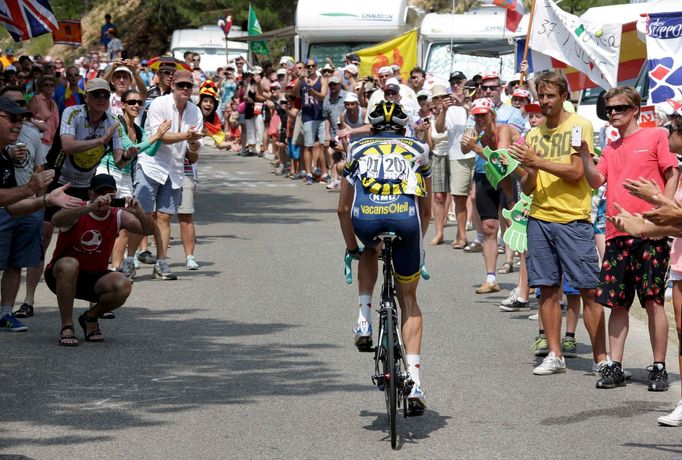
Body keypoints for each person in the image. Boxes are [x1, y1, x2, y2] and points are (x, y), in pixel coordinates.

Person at [576, 86, 678, 390]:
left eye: (620, 108)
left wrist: (665, 211)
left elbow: (672, 173)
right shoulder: (610, 148)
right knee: (617, 303)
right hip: (617, 233)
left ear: (635, 109)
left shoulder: (656, 136)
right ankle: (615, 366)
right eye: (610, 109)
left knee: (653, 301)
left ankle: (659, 366)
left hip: (650, 233)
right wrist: (583, 155)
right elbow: (596, 180)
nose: (614, 114)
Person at [508, 71, 607, 376]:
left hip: (572, 220)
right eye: (542, 96)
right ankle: (555, 354)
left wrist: (536, 162)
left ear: (564, 96)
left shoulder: (579, 125)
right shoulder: (534, 136)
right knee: (547, 290)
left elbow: (577, 172)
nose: (545, 102)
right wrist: (519, 169)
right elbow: (529, 187)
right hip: (540, 218)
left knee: (588, 290)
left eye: (551, 96)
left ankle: (602, 359)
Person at [337, 100, 431, 413]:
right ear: (403, 128)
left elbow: (341, 209)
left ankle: (364, 318)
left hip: (367, 220)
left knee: (367, 249)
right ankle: (415, 382)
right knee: (409, 301)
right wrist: (419, 240)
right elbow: (426, 208)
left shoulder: (356, 147)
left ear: (372, 128)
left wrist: (352, 248)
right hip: (406, 222)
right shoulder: (418, 147)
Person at [607, 112, 682, 425]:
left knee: (652, 303)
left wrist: (656, 200)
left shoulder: (668, 166)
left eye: (671, 130)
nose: (666, 134)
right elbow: (675, 225)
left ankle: (660, 366)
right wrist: (638, 226)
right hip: (680, 267)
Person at [0, 96, 80, 332]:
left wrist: (46, 199)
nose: (18, 124)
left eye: (22, 119)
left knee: (15, 262)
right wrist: (30, 189)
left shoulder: (4, 157)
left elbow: (12, 207)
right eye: (12, 118)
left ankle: (5, 313)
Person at [47, 174, 155, 346]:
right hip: (61, 275)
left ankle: (90, 317)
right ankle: (67, 326)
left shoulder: (117, 215)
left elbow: (148, 230)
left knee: (123, 284)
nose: (105, 197)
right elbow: (56, 220)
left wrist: (140, 212)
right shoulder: (80, 208)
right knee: (70, 264)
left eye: (110, 193)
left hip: (94, 277)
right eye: (100, 193)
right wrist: (90, 208)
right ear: (90, 194)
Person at [126, 70, 202, 281]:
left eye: (189, 85)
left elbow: (194, 150)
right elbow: (160, 137)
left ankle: (162, 262)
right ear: (172, 87)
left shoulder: (195, 112)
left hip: (175, 169)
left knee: (165, 217)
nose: (185, 89)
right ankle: (129, 260)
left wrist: (194, 142)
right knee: (142, 216)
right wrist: (187, 136)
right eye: (181, 85)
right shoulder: (159, 104)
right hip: (152, 165)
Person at [99, 89, 170, 277]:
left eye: (140, 102)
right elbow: (128, 149)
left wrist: (159, 134)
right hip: (109, 173)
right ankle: (99, 264)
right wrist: (156, 136)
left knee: (123, 225)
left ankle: (115, 268)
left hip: (126, 178)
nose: (136, 105)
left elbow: (151, 151)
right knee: (104, 222)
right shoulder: (117, 124)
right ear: (122, 104)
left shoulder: (138, 129)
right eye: (131, 102)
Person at [461, 97, 520, 293]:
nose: (479, 119)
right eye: (476, 116)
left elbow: (501, 159)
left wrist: (477, 148)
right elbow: (463, 149)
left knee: (515, 226)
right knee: (488, 227)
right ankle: (491, 278)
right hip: (487, 178)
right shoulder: (481, 134)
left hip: (510, 177)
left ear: (492, 115)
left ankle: (524, 283)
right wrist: (470, 139)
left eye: (482, 115)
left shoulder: (503, 129)